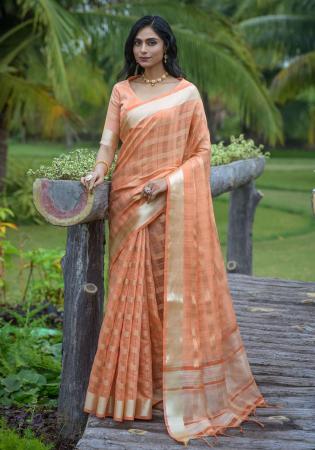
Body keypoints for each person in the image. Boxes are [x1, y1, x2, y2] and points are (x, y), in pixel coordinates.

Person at [80, 14, 272, 447]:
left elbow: (201, 152)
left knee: (168, 298)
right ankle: (130, 394)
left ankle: (168, 391)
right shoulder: (121, 91)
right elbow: (109, 143)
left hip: (167, 204)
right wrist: (96, 173)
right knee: (132, 299)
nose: (143, 50)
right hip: (128, 203)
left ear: (166, 46)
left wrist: (168, 182)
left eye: (151, 43)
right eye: (137, 44)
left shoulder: (187, 95)